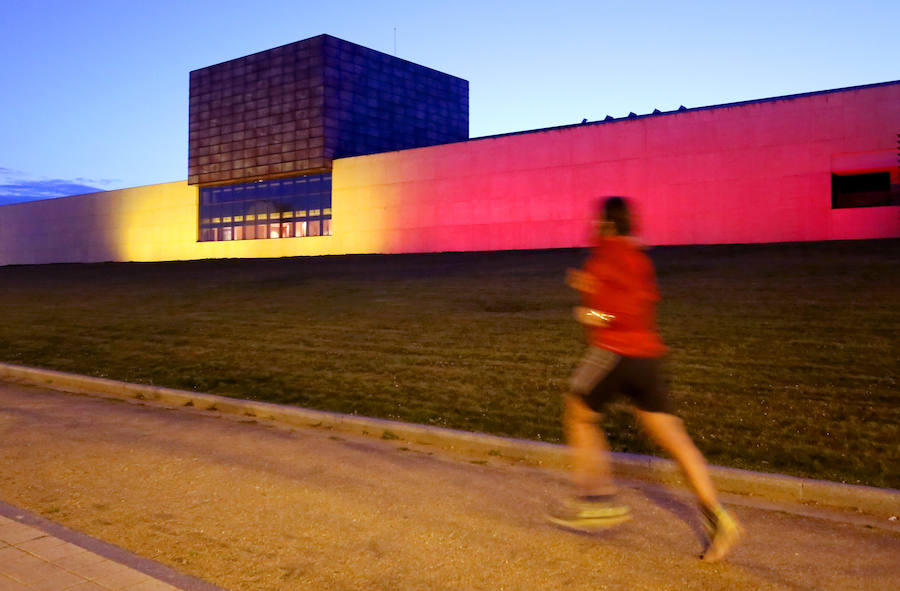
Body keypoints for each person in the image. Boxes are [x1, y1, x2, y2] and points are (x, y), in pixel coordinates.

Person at [547, 196, 743, 562]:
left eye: (598, 222)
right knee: (675, 439)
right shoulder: (639, 258)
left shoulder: (604, 255)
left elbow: (608, 315)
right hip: (649, 359)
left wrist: (587, 311)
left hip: (614, 353)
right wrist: (590, 287)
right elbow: (639, 301)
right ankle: (718, 515)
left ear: (607, 225)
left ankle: (597, 499)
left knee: (577, 411)